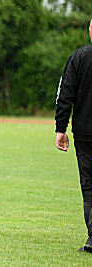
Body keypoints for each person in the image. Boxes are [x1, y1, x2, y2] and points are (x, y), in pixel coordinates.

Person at [55, 19, 92, 253]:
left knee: (89, 185)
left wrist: (61, 128)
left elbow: (65, 93)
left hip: (86, 132)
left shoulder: (79, 57)